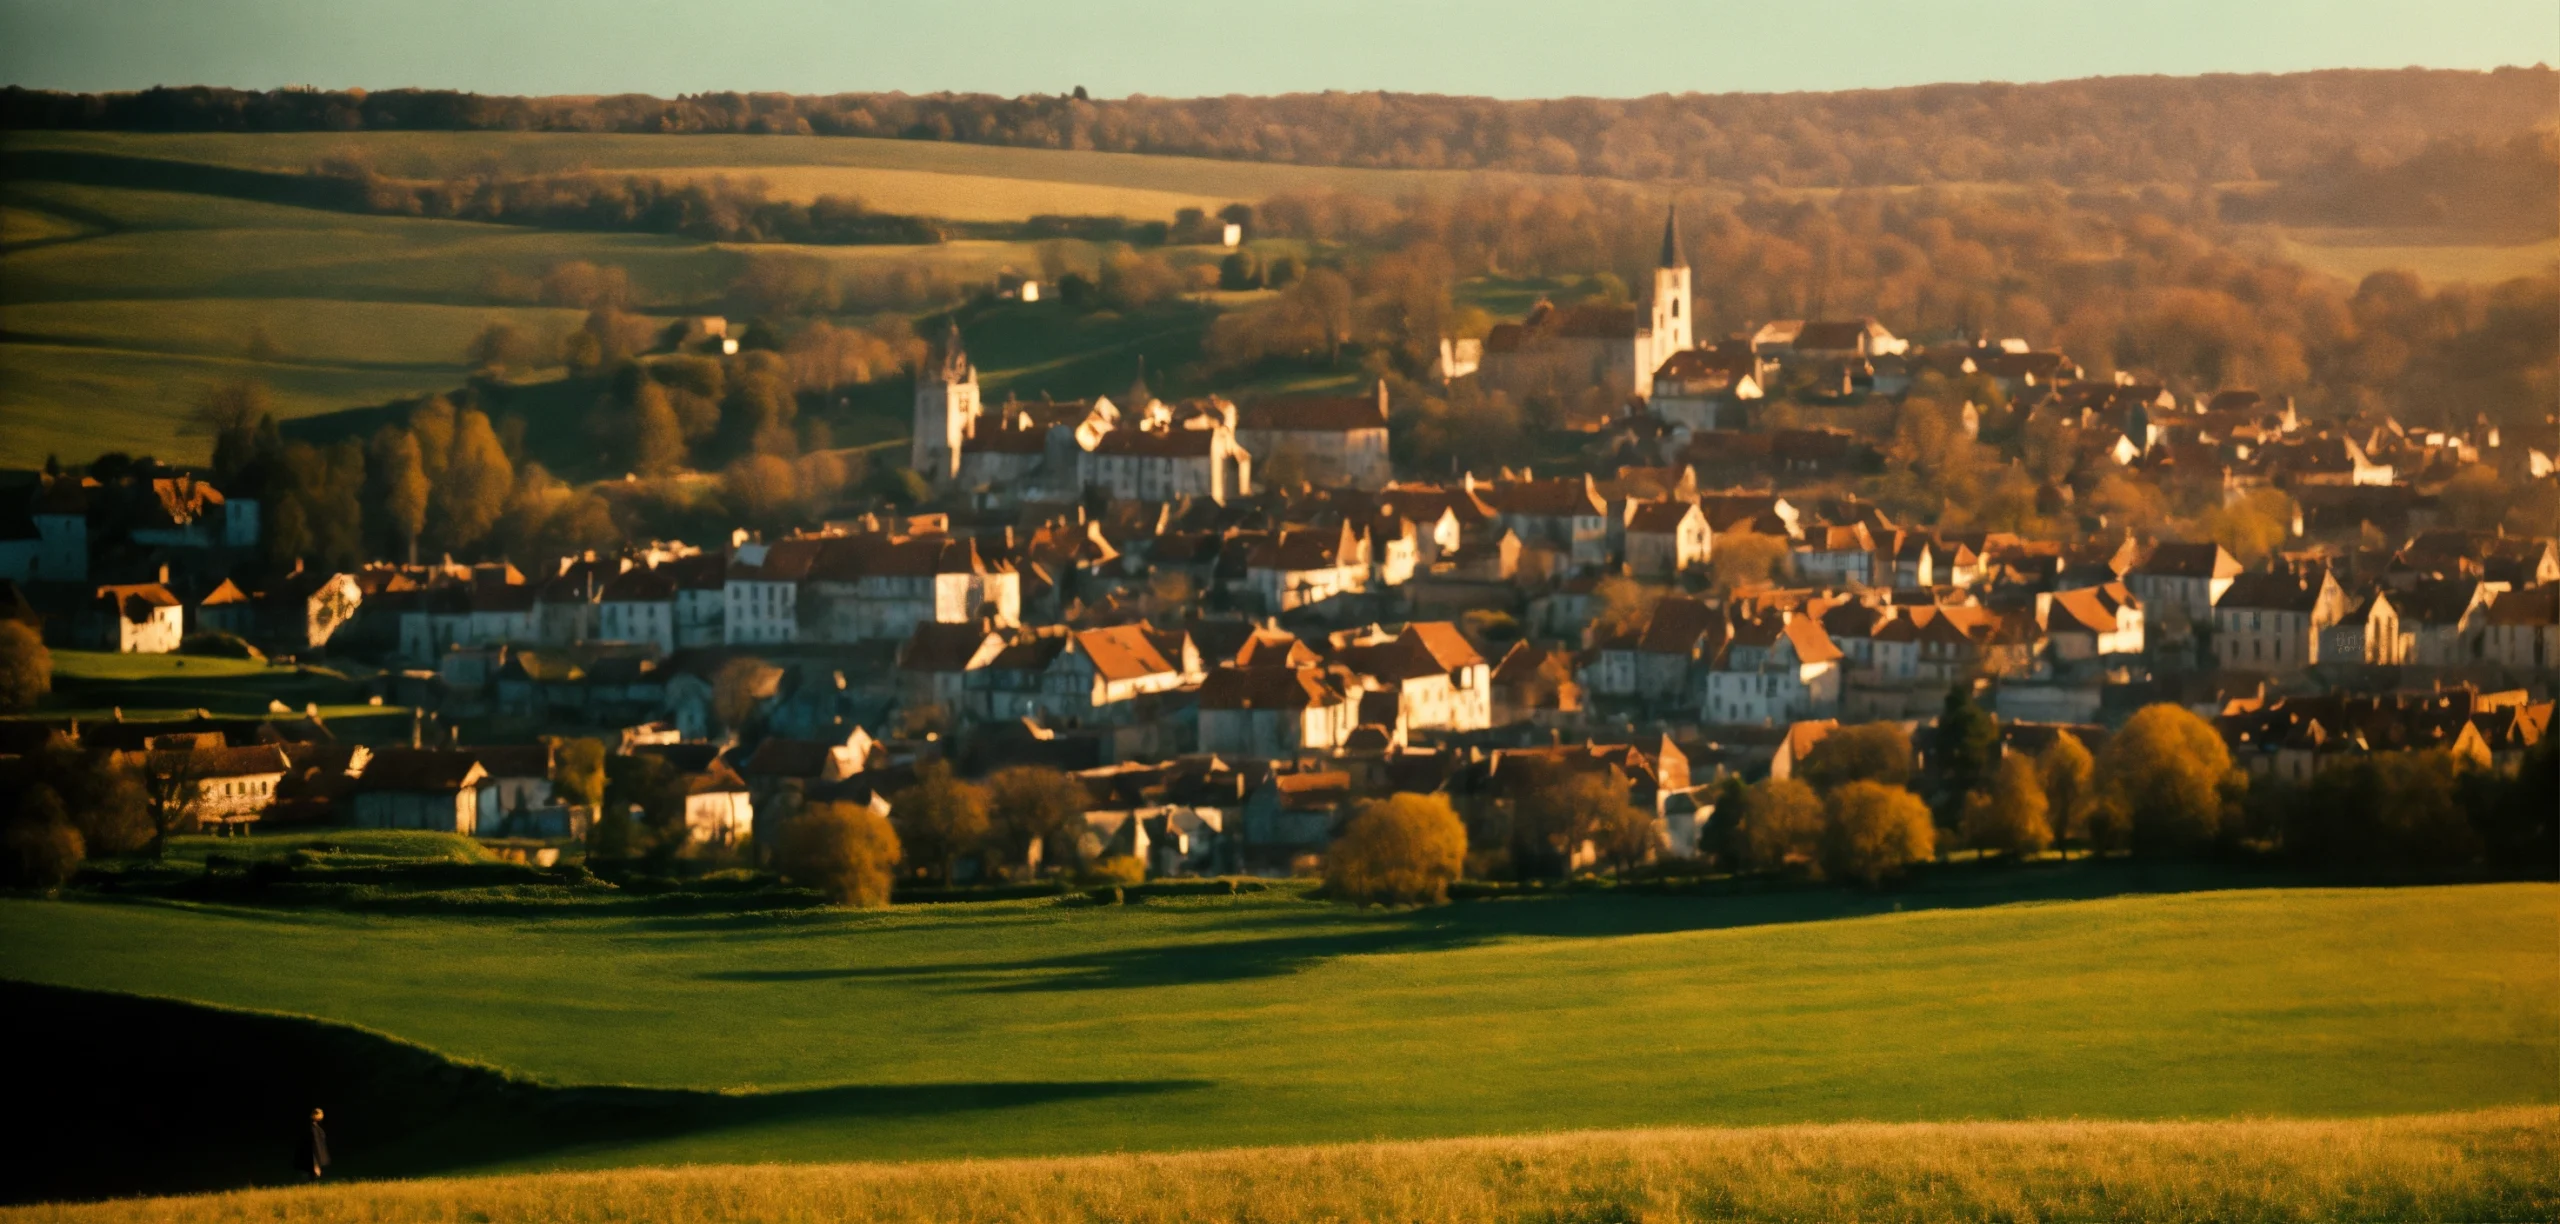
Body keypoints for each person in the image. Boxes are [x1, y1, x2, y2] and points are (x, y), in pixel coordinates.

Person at [298, 1107, 330, 1180]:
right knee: (314, 1172)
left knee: (315, 1172)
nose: (322, 1116)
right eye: (321, 1114)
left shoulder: (316, 1126)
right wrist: (317, 1160)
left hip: (317, 1153)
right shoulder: (312, 1127)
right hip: (314, 1153)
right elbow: (315, 1142)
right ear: (315, 1115)